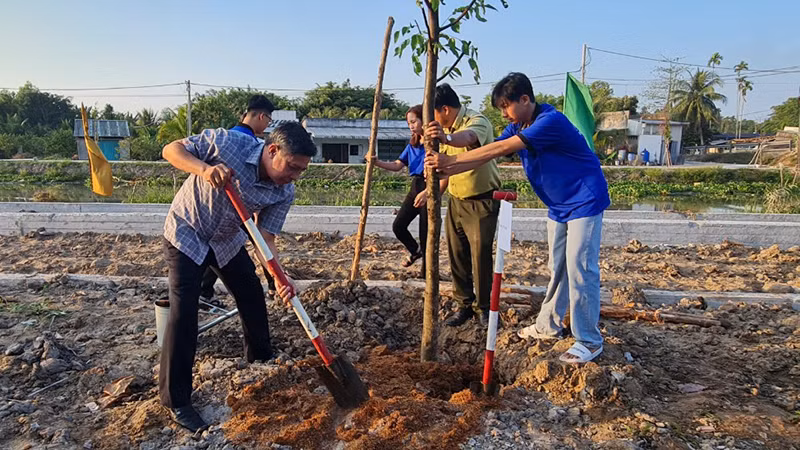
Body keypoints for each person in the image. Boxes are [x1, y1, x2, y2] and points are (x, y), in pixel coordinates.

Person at [426, 72, 610, 364]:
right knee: (558, 267)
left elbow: (502, 148)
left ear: (525, 99)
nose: (503, 114)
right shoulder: (518, 125)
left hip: (584, 200)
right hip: (559, 205)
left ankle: (589, 340)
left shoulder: (549, 121)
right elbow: (487, 154)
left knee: (580, 268)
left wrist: (451, 160)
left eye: (505, 106)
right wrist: (447, 167)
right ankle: (548, 325)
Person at [159, 122, 316, 431]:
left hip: (227, 240)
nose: (295, 176)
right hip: (187, 232)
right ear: (273, 150)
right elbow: (170, 150)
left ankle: (261, 359)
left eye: (301, 170)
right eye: (292, 167)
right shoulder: (227, 144)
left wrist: (279, 277)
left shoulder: (284, 191)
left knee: (252, 295)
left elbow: (265, 238)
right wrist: (205, 169)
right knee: (184, 311)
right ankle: (177, 401)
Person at [418, 84, 500, 327]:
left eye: (433, 114)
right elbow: (445, 169)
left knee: (480, 256)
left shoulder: (477, 120)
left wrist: (447, 138)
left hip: (482, 200)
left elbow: (470, 138)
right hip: (456, 202)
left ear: (445, 109)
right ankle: (464, 304)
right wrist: (431, 187)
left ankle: (483, 308)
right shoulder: (443, 130)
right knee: (457, 256)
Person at [200, 95, 277, 305]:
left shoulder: (224, 137)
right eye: (268, 120)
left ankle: (204, 291)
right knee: (258, 242)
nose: (267, 125)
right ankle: (273, 284)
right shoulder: (252, 144)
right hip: (237, 209)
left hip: (211, 208)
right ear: (261, 116)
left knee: (217, 247)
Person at [371, 104, 427, 276]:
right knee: (399, 226)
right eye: (409, 123)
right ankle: (415, 250)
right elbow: (397, 165)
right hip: (416, 185)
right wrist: (376, 162)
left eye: (414, 122)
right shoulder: (412, 145)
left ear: (424, 120)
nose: (411, 126)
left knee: (426, 232)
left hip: (429, 186)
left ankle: (426, 271)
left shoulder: (435, 144)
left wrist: (429, 192)